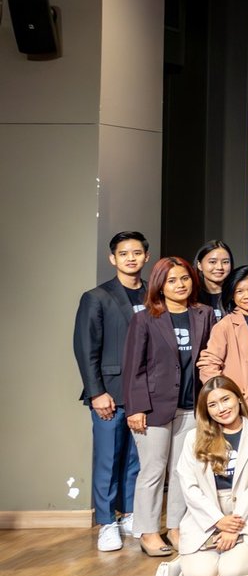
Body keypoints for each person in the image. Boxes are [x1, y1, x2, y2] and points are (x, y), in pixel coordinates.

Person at [123, 255, 215, 557]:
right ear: (160, 285)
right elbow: (133, 367)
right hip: (153, 408)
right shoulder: (145, 318)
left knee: (182, 471)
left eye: (185, 278)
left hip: (191, 406)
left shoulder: (204, 314)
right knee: (152, 471)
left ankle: (176, 528)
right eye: (172, 280)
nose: (180, 285)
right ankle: (148, 531)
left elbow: (209, 357)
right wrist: (136, 407)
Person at [152, 376, 248, 576]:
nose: (221, 409)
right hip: (206, 514)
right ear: (206, 410)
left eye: (226, 399)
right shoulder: (193, 438)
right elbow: (189, 487)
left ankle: (221, 561)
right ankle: (186, 564)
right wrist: (218, 520)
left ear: (238, 398)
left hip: (245, 514)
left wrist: (233, 528)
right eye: (213, 405)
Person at [72, 229, 147, 552]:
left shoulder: (154, 295)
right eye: (124, 253)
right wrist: (96, 392)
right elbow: (85, 347)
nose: (131, 258)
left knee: (135, 459)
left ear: (146, 256)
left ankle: (129, 513)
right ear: (112, 258)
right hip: (110, 393)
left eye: (137, 253)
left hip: (144, 391)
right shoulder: (97, 297)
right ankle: (106, 522)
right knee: (108, 459)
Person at [198, 266, 248, 423]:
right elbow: (208, 366)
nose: (247, 296)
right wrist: (226, 396)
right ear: (232, 295)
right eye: (239, 291)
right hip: (244, 403)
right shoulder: (225, 326)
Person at [193, 240, 233, 319]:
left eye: (225, 262)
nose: (219, 267)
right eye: (212, 262)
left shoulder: (236, 295)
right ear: (199, 265)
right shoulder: (191, 296)